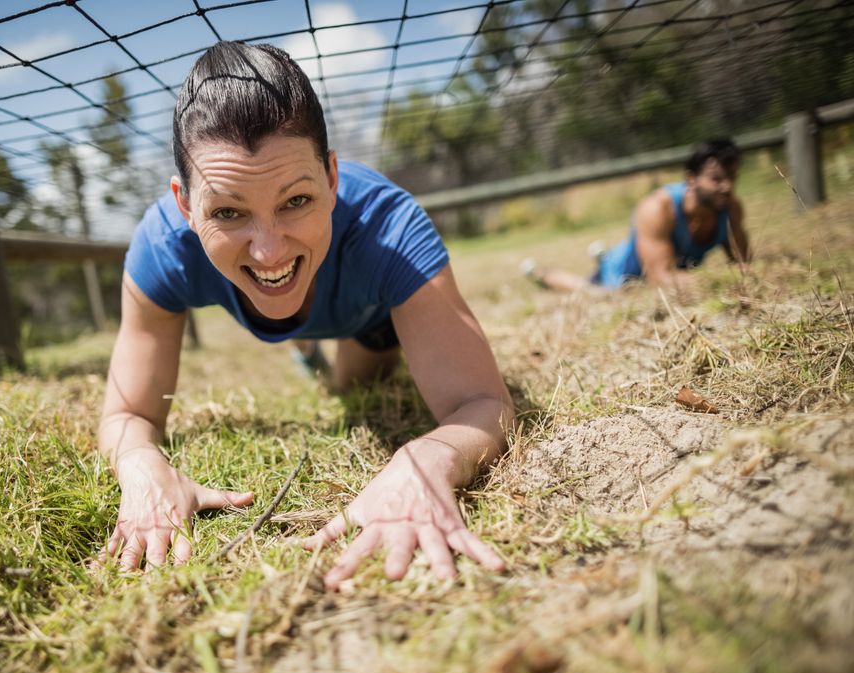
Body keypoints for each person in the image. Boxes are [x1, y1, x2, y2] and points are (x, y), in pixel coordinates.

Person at [97, 41, 514, 590]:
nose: (269, 250)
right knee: (304, 336)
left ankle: (308, 350)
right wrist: (141, 467)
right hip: (297, 296)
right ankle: (300, 348)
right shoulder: (161, 248)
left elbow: (484, 403)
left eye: (296, 201)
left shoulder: (388, 230)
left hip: (363, 318)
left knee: (349, 387)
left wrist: (425, 460)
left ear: (332, 177)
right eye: (227, 212)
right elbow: (126, 412)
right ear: (184, 205)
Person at [524, 139, 751, 293]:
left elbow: (744, 264)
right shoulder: (657, 208)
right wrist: (719, 281)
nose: (727, 186)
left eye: (732, 177)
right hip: (621, 275)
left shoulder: (730, 210)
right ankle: (541, 274)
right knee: (589, 290)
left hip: (656, 261)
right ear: (691, 179)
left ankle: (601, 255)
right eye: (717, 179)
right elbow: (661, 279)